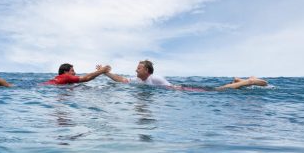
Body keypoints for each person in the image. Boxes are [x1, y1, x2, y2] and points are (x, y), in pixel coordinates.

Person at [97, 60, 268, 90]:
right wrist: (105, 73)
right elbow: (122, 80)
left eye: (139, 68)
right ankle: (239, 82)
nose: (136, 70)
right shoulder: (140, 81)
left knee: (219, 90)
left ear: (147, 71)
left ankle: (248, 82)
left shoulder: (153, 78)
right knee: (220, 89)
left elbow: (171, 89)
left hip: (185, 90)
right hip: (181, 90)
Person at [0, 64, 111, 86]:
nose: (74, 73)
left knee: (2, 87)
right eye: (72, 70)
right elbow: (86, 78)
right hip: (36, 89)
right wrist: (102, 70)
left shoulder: (62, 78)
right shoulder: (66, 77)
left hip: (39, 87)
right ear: (65, 72)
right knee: (7, 86)